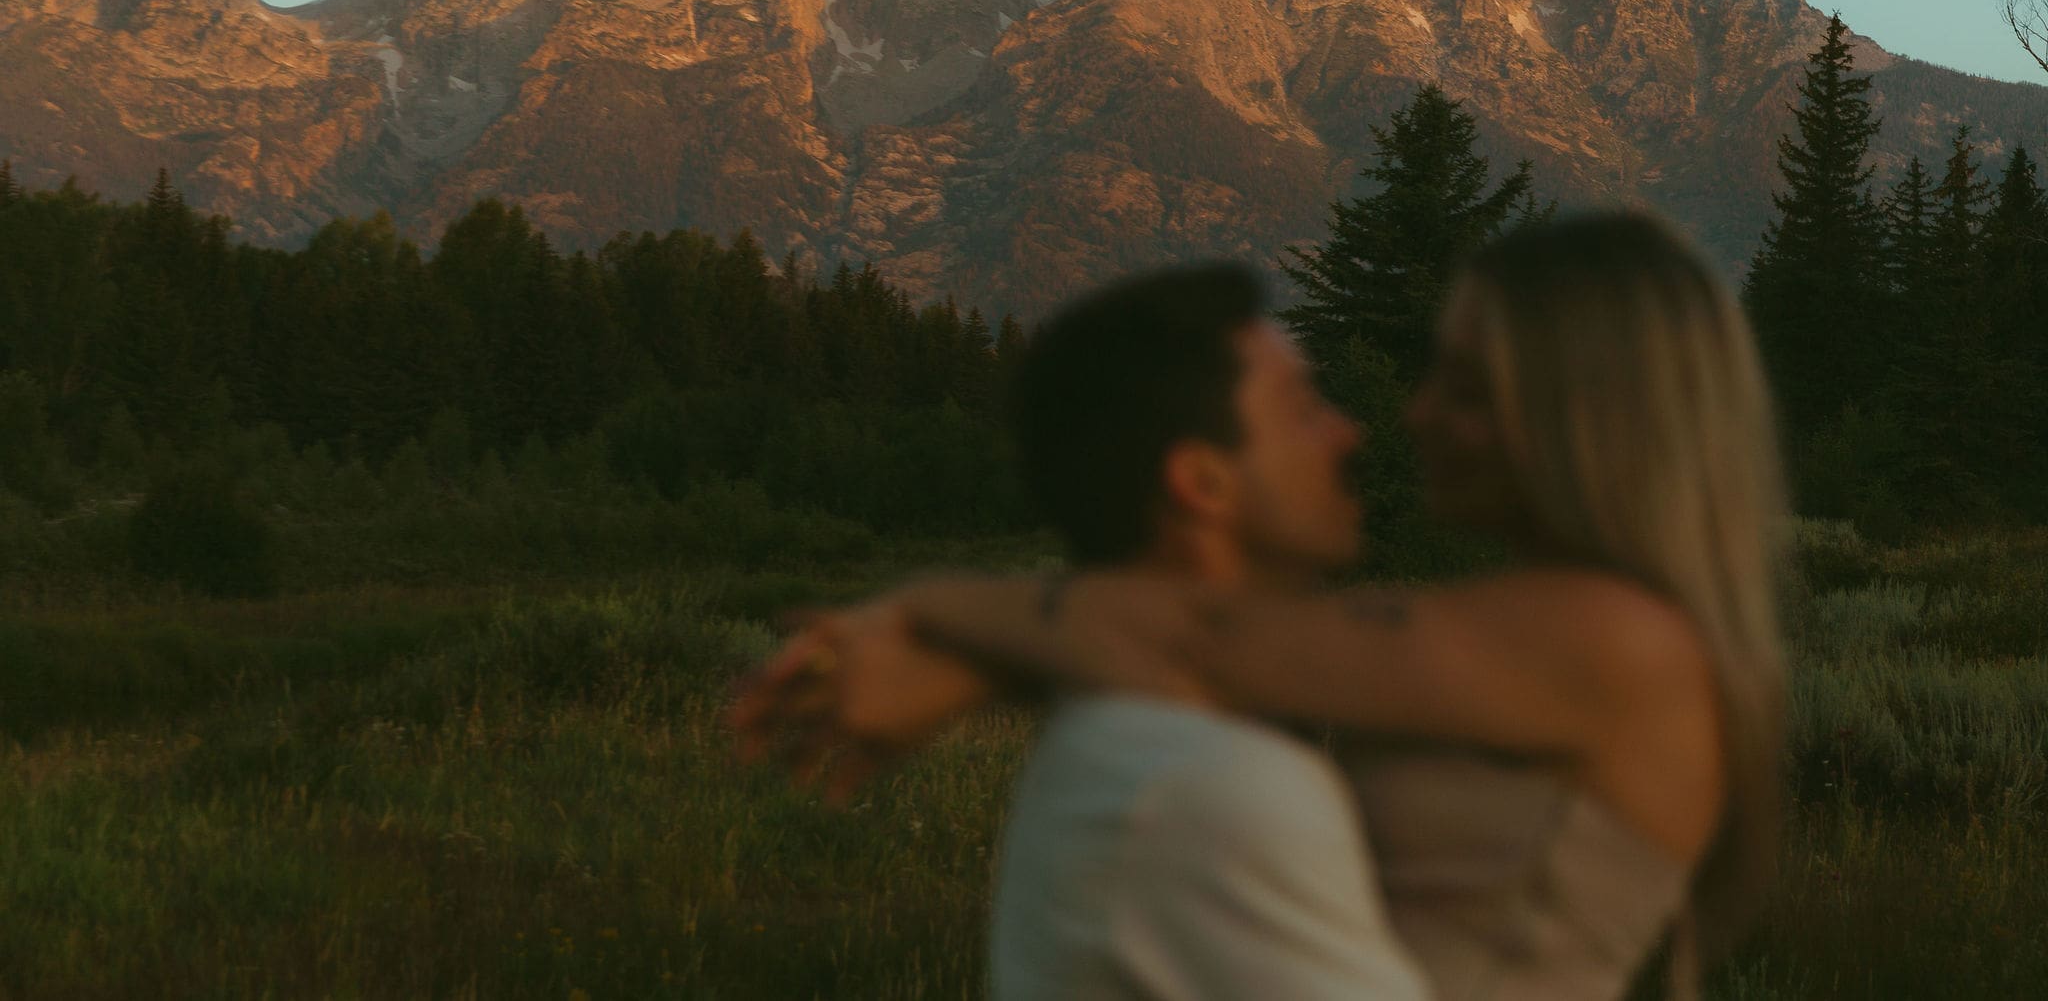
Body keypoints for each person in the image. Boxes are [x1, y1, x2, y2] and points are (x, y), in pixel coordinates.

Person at [733, 211, 1790, 1001]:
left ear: (1582, 418)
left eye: (1465, 388)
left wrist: (924, 613)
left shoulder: (1610, 640)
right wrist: (971, 658)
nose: (1407, 416)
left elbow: (1204, 637)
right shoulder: (1539, 627)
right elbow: (1211, 645)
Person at [736, 263, 1431, 1000]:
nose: (1347, 433)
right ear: (1202, 482)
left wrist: (963, 644)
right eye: (1302, 409)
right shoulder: (1215, 790)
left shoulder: (1140, 747)